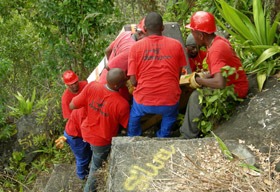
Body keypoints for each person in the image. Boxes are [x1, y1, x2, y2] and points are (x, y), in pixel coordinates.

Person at [180, 11, 249, 139]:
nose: (192, 35)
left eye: (193, 32)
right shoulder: (217, 42)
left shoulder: (216, 49)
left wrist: (199, 80)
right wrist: (204, 75)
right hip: (233, 85)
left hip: (235, 90)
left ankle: (187, 136)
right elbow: (219, 71)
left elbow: (220, 83)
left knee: (196, 96)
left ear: (200, 35)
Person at [127, 12, 187, 138]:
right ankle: (162, 136)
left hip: (144, 100)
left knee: (134, 114)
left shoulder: (135, 48)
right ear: (162, 28)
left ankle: (133, 137)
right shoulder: (176, 45)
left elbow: (133, 81)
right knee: (170, 115)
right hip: (169, 100)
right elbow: (177, 75)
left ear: (144, 29)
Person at [69, 68, 130, 192]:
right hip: (101, 140)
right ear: (118, 85)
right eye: (125, 80)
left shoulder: (92, 86)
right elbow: (127, 126)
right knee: (95, 168)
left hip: (86, 131)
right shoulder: (122, 104)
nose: (127, 81)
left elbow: (72, 105)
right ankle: (88, 189)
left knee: (93, 155)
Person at [98, 18, 146, 102]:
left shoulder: (126, 34)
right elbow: (134, 81)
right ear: (141, 33)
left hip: (113, 77)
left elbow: (107, 50)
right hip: (110, 85)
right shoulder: (132, 51)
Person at [55, 107, 92, 180]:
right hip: (75, 137)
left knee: (86, 154)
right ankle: (82, 176)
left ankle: (84, 172)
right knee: (82, 158)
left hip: (71, 133)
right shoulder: (84, 113)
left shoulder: (81, 105)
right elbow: (85, 130)